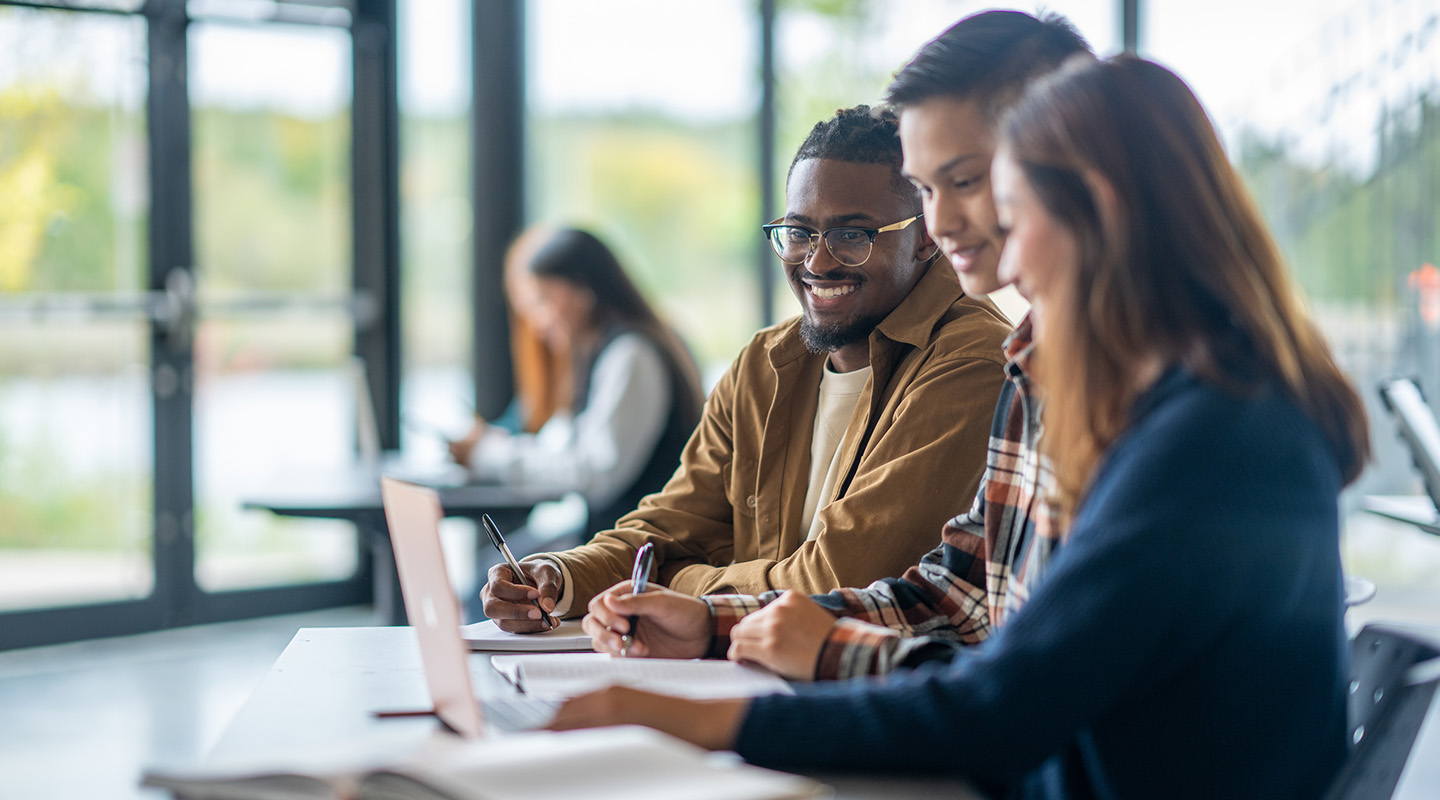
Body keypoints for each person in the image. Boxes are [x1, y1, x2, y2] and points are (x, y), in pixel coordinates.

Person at [548, 54, 1370, 800]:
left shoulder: (1213, 437)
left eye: (1006, 210)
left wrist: (705, 719)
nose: (1002, 263)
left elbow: (1005, 705)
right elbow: (962, 593)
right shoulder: (1113, 392)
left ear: (1098, 211)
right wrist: (722, 624)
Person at [577, 9, 1095, 681]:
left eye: (967, 181)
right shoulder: (1037, 369)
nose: (944, 221)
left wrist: (699, 614)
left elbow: (1024, 688)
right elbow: (953, 599)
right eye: (932, 188)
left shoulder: (1125, 390)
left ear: (1074, 168)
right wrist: (710, 621)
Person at [481, 105, 1015, 632]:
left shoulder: (970, 362)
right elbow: (668, 526)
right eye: (800, 232)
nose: (816, 262)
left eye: (853, 235)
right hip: (746, 670)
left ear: (925, 235)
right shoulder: (767, 363)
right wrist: (559, 575)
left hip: (871, 692)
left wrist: (673, 584)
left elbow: (835, 583)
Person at [447, 226, 706, 534]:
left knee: (492, 576)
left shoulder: (631, 355)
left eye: (544, 300)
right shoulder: (599, 354)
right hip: (620, 542)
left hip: (642, 552)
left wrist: (489, 455)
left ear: (583, 291)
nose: (537, 323)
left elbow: (597, 473)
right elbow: (564, 448)